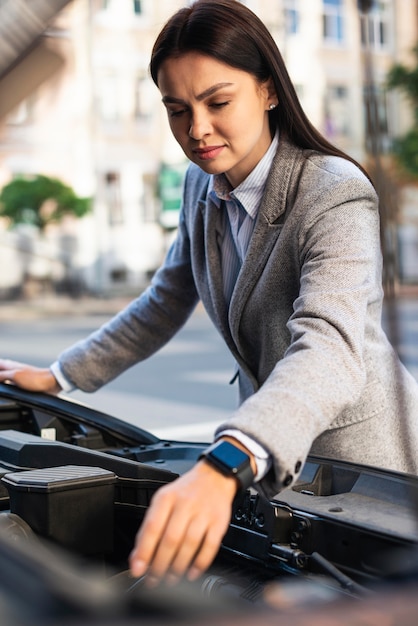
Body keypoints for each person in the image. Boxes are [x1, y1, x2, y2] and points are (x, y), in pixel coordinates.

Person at [1, 0, 418, 588]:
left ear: (268, 91)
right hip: (270, 468)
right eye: (177, 109)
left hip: (365, 478)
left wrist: (226, 460)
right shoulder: (201, 185)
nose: (197, 129)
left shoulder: (335, 191)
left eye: (217, 103)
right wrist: (59, 375)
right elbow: (165, 300)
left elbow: (329, 346)